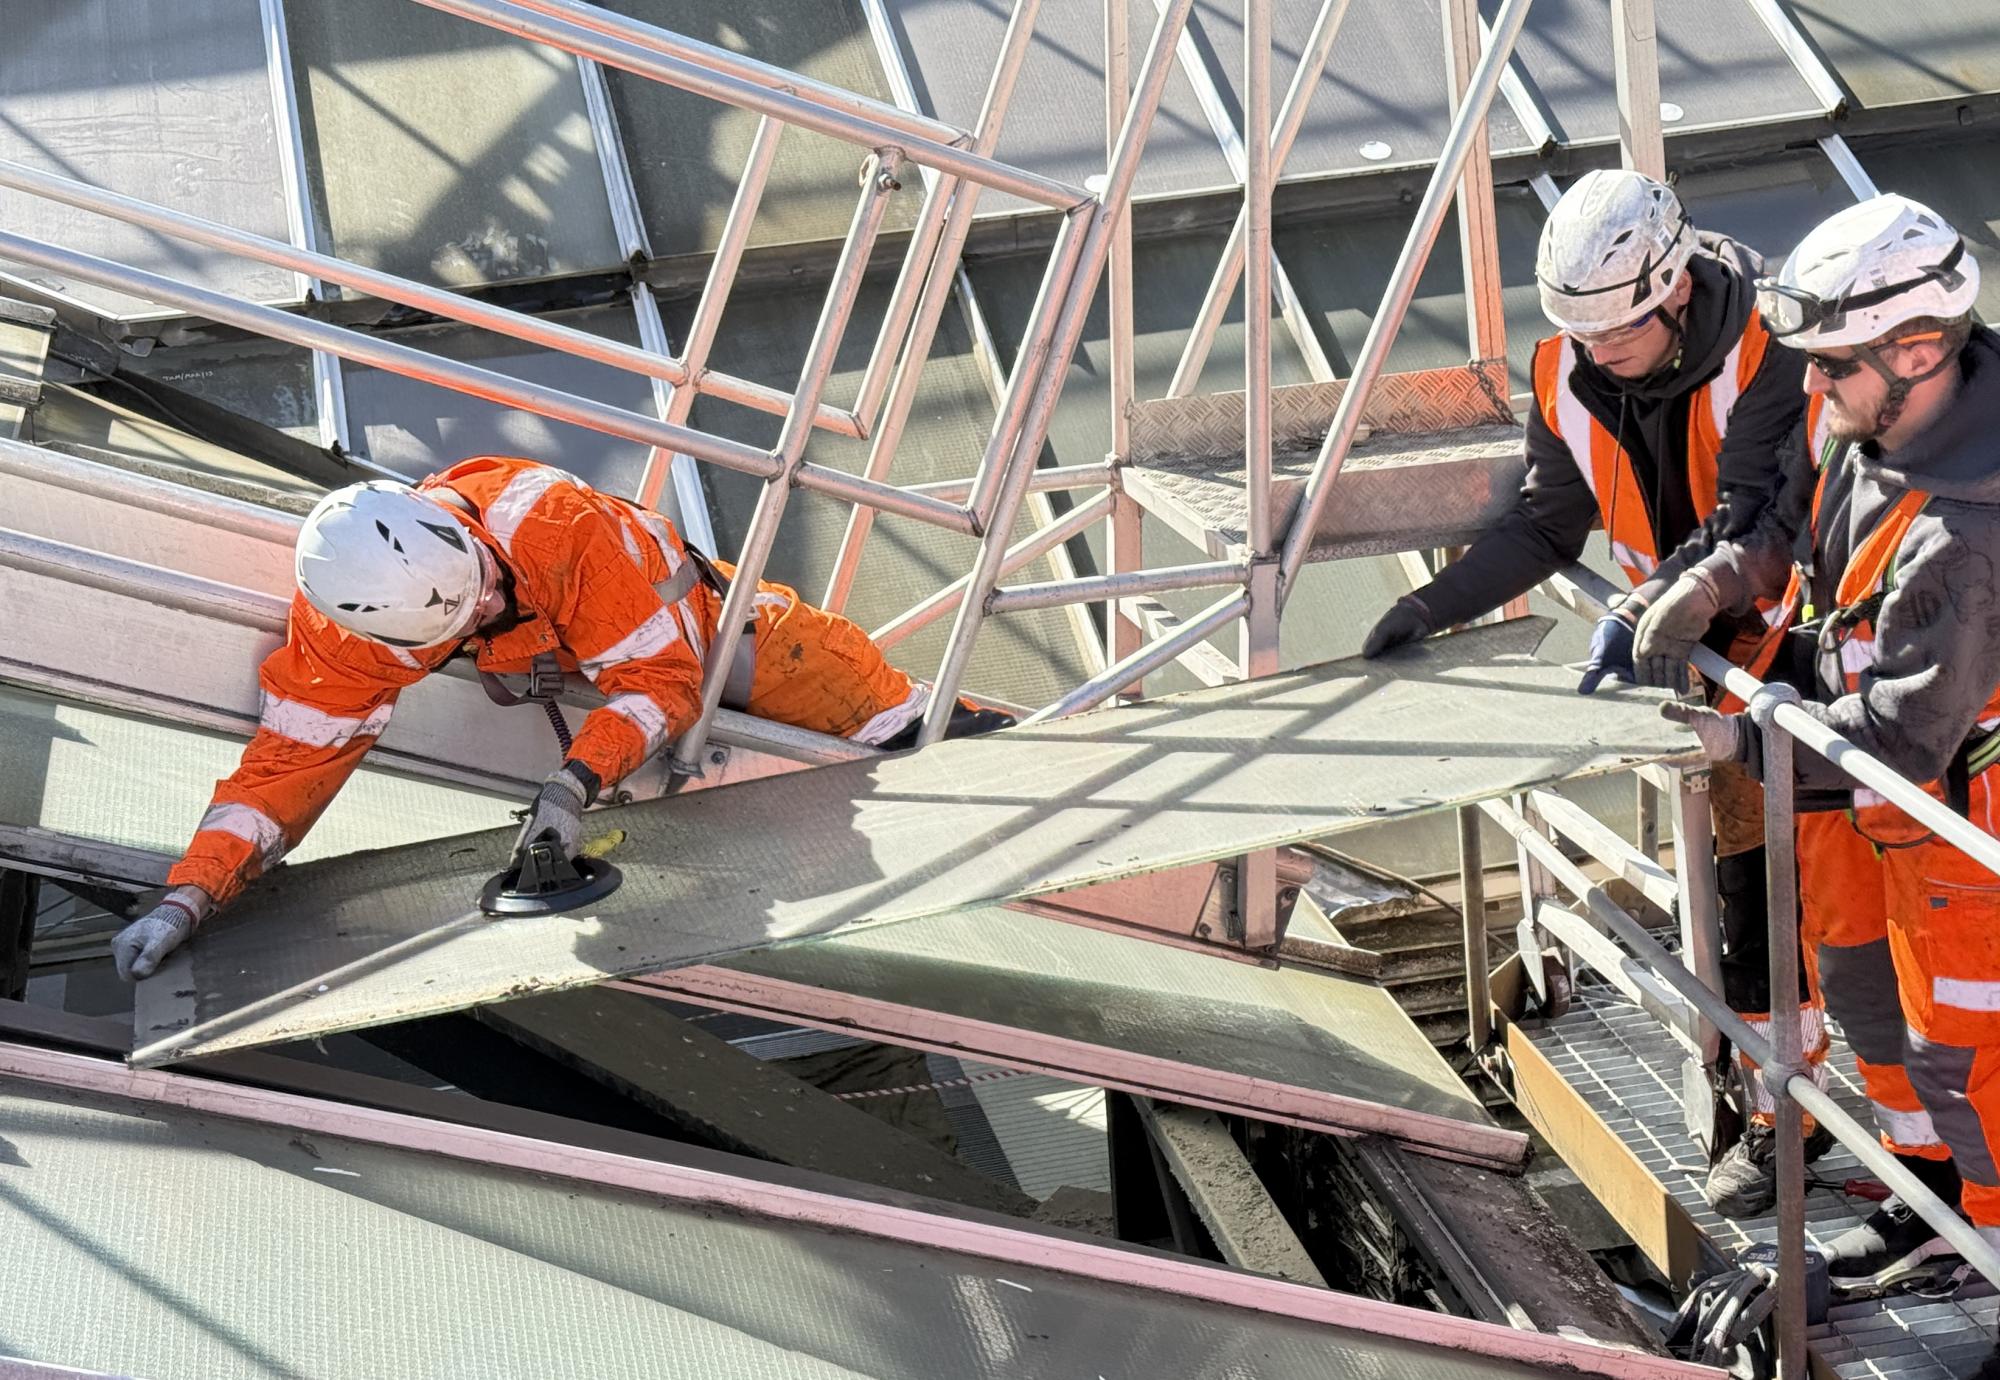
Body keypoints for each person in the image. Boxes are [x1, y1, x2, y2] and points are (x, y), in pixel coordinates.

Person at [1360, 167, 1822, 1214]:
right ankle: (1773, 1109)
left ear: (1672, 290)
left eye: (1613, 333)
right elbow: (1544, 520)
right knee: (1752, 897)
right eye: (1577, 333)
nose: (1594, 353)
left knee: (1806, 905)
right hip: (1701, 665)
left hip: (1791, 657)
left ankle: (1789, 1116)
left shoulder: (1767, 351)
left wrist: (1659, 604)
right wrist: (1431, 607)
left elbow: (1758, 522)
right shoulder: (1565, 366)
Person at [111, 456, 1008, 982]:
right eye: (470, 620)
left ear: (455, 534)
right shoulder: (356, 627)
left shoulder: (555, 528)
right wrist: (193, 894)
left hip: (720, 635)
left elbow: (662, 683)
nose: (495, 599)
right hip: (600, 661)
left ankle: (999, 743)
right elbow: (285, 768)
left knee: (892, 724)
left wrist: (575, 781)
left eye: (488, 585)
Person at [1635, 194, 1997, 1292]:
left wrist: (1738, 740)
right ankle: (1922, 1198)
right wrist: (1715, 579)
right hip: (1869, 813)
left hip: (1951, 838)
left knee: (1971, 1065)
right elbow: (1801, 541)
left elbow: (1902, 731)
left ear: (1919, 348)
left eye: (1830, 365)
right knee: (1872, 1008)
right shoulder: (1876, 421)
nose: (1809, 387)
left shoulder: (1966, 529)